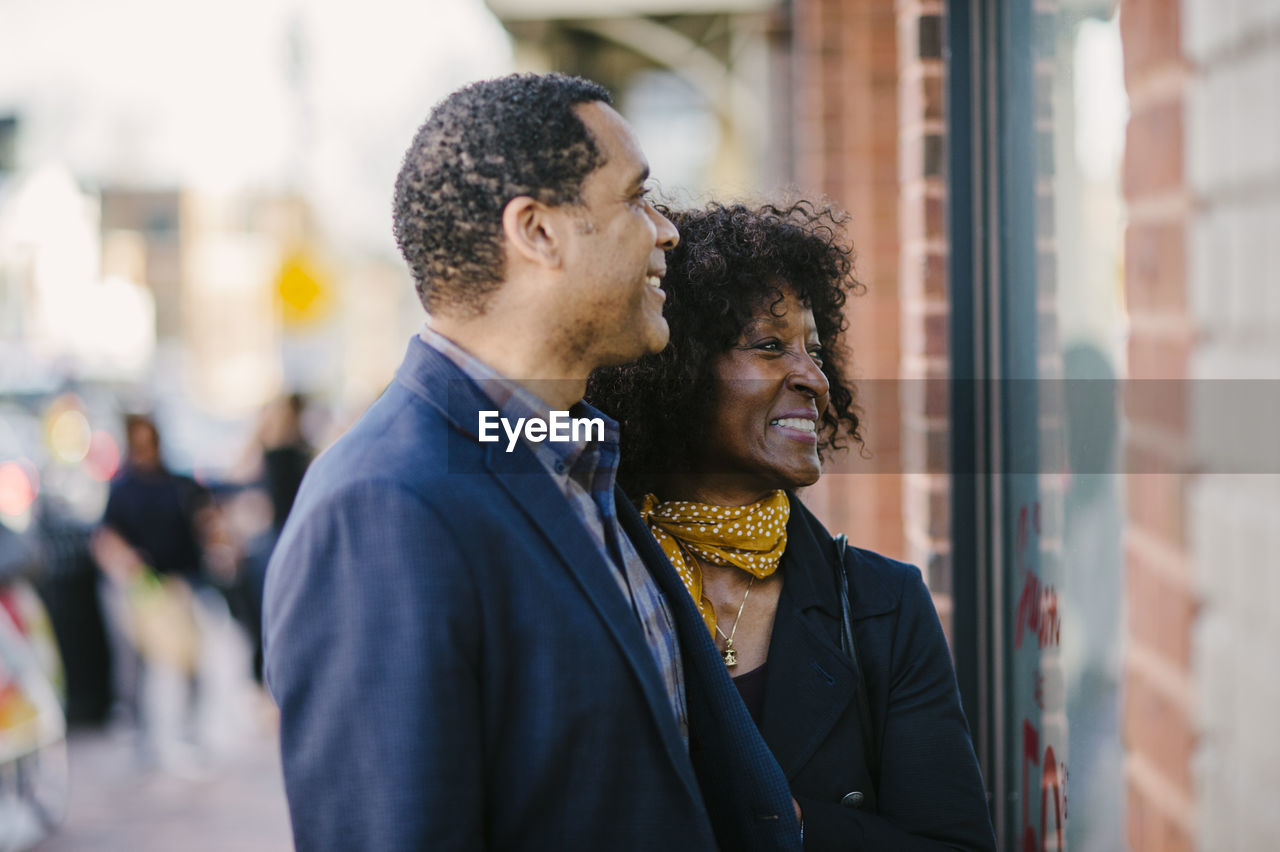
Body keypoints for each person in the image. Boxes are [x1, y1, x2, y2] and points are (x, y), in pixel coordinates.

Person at [262, 74, 802, 851]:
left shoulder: (573, 461)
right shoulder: (382, 507)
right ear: (539, 232)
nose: (666, 230)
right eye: (635, 198)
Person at [587, 201, 997, 850]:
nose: (813, 377)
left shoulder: (882, 607)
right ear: (674, 366)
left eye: (814, 348)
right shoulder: (595, 578)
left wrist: (790, 824)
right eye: (771, 346)